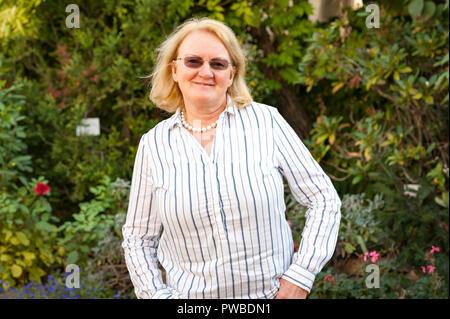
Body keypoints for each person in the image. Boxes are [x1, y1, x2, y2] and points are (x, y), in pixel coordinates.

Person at [122, 17, 341, 299]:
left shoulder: (266, 122)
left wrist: (300, 277)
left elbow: (323, 198)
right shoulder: (154, 145)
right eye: (193, 61)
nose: (205, 71)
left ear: (232, 73)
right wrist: (156, 296)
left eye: (218, 63)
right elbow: (139, 238)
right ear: (174, 70)